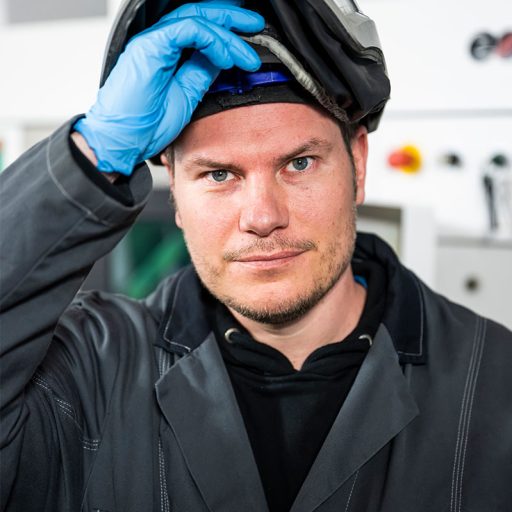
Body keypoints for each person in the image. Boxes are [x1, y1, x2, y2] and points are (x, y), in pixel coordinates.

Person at [1, 1, 511, 511]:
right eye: (219, 174)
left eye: (299, 163)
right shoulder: (86, 374)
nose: (263, 216)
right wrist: (94, 153)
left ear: (357, 161)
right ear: (174, 188)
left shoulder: (496, 382)